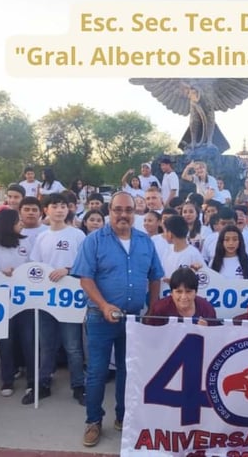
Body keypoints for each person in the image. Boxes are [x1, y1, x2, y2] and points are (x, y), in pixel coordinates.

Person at [71, 191, 164, 447]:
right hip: (100, 319)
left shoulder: (146, 242)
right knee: (97, 372)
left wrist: (153, 308)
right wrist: (103, 305)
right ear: (109, 211)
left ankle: (124, 418)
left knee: (128, 371)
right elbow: (85, 278)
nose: (123, 215)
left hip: (134, 320)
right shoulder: (94, 241)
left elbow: (155, 276)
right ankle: (93, 421)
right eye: (118, 210)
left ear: (135, 213)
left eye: (128, 210)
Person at [25, 192, 86, 405]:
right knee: (46, 345)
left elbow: (86, 264)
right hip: (45, 300)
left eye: (63, 206)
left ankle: (79, 385)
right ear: (46, 210)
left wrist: (67, 270)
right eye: (54, 206)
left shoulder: (77, 235)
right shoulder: (42, 237)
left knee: (73, 346)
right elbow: (35, 266)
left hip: (69, 300)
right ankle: (43, 384)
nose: (59, 210)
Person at [0, 209, 34, 398]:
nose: (21, 223)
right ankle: (7, 379)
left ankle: (32, 381)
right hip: (3, 303)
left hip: (26, 300)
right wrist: (1, 273)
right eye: (17, 220)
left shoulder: (25, 242)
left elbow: (32, 267)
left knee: (29, 341)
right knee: (7, 342)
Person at [147, 267, 216, 325]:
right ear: (171, 292)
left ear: (196, 292)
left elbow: (218, 338)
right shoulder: (159, 309)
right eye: (179, 292)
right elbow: (151, 338)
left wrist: (207, 332)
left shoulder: (207, 309)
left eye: (188, 291)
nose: (183, 297)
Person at [160, 215, 203, 279]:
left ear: (170, 234)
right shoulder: (167, 251)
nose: (164, 234)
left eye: (165, 231)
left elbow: (203, 276)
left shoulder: (193, 254)